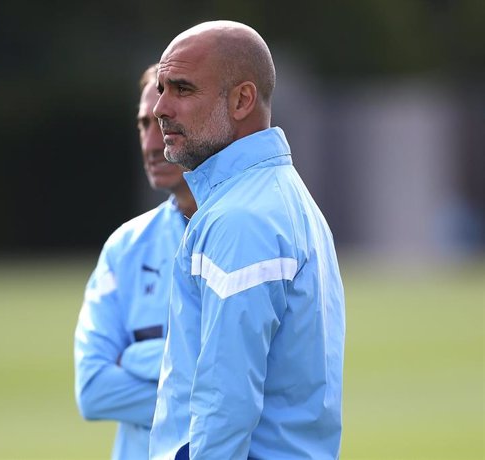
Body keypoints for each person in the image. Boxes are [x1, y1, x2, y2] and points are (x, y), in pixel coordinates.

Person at [149, 21, 346, 459]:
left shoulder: (242, 218)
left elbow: (227, 401)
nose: (161, 107)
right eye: (161, 88)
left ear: (241, 100)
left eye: (182, 89)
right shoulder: (277, 197)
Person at [74, 64, 197, 460]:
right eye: (144, 125)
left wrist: (135, 356)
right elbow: (93, 390)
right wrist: (207, 394)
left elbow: (260, 386)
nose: (150, 143)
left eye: (161, 125)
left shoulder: (245, 233)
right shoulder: (124, 246)